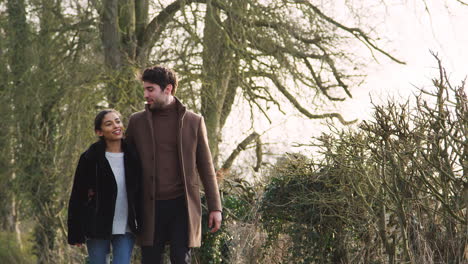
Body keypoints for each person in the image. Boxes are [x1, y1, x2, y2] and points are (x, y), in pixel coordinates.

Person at [125, 66, 222, 263]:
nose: (145, 94)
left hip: (182, 205)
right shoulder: (136, 122)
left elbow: (206, 167)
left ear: (168, 89)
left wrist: (215, 207)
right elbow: (124, 163)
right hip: (149, 206)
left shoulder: (194, 121)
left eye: (150, 89)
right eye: (144, 89)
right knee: (150, 260)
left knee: (180, 259)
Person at [68, 109, 142, 264]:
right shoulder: (89, 158)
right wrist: (76, 232)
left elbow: (141, 191)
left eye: (118, 121)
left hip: (126, 226)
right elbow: (78, 195)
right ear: (99, 132)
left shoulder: (134, 155)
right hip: (96, 227)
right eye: (109, 124)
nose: (116, 126)